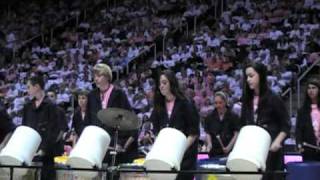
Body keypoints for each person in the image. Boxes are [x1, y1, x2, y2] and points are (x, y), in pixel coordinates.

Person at [241, 62, 291, 180]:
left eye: (251, 76)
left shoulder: (274, 98)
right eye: (246, 76)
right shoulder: (247, 99)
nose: (248, 80)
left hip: (271, 153)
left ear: (261, 76)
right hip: (253, 152)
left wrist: (277, 141)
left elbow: (286, 125)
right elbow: (243, 125)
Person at [149, 70, 200, 180]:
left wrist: (179, 150)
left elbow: (194, 133)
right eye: (160, 84)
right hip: (166, 157)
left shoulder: (186, 104)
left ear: (172, 83)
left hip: (185, 158)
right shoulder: (159, 106)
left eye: (164, 83)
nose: (161, 86)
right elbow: (156, 130)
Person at [86, 63, 138, 165]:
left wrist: (122, 144)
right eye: (94, 76)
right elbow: (90, 119)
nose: (95, 79)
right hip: (97, 143)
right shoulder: (92, 95)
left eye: (99, 76)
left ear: (107, 77)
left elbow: (128, 119)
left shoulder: (119, 94)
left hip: (115, 143)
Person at [22, 74, 61, 180]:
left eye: (29, 87)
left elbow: (54, 130)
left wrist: (44, 149)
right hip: (30, 151)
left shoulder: (51, 106)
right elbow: (24, 128)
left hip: (46, 153)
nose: (27, 90)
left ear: (37, 87)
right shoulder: (27, 107)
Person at [204, 91, 240, 158]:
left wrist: (229, 147)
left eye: (220, 103)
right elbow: (208, 132)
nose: (218, 105)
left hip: (229, 152)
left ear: (225, 102)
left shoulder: (233, 116)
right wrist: (209, 144)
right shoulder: (209, 117)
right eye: (216, 103)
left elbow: (236, 134)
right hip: (214, 152)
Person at [296, 78, 320, 161]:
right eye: (309, 88)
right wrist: (299, 144)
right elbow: (298, 129)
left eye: (314, 88)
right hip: (308, 149)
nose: (311, 90)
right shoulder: (302, 111)